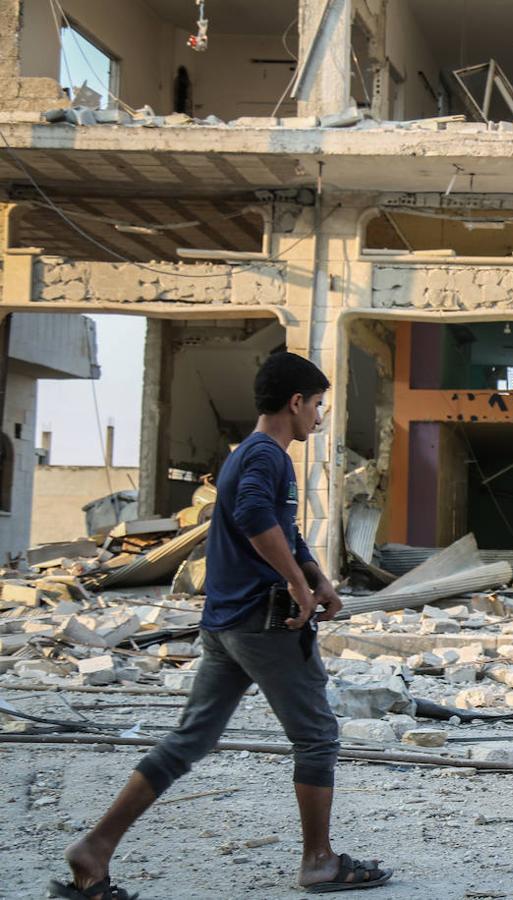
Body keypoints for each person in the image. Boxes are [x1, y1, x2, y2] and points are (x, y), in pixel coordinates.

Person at [51, 352, 391, 899]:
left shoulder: (250, 456)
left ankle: (94, 848)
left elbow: (282, 527)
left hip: (225, 623)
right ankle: (320, 861)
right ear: (296, 402)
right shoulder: (266, 457)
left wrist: (315, 575)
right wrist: (299, 589)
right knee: (318, 736)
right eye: (319, 406)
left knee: (190, 739)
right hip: (261, 621)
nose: (321, 418)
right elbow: (258, 520)